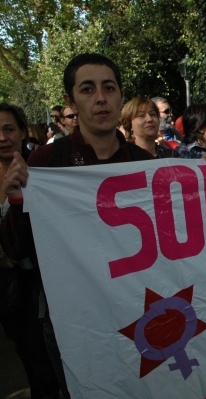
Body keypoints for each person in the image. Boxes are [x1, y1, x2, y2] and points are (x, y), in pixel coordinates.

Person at [1, 53, 158, 398]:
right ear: (71, 101)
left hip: (140, 313)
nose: (100, 98)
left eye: (109, 88)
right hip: (72, 325)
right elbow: (18, 249)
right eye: (88, 90)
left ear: (120, 95)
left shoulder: (144, 163)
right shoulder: (46, 162)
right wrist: (15, 201)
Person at [0, 103, 61, 399]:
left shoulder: (43, 173)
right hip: (7, 290)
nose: (1, 137)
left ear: (23, 132)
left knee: (43, 370)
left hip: (35, 289)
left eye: (8, 129)